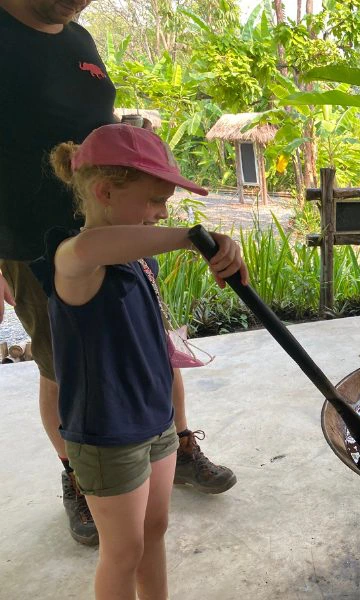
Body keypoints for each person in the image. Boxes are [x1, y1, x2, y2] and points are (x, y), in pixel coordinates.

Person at [0, 0, 236, 546]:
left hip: (118, 222)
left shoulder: (79, 40)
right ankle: (81, 474)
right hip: (33, 242)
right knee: (62, 365)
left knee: (152, 341)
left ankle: (176, 445)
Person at [31, 123, 248, 600]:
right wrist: (191, 237)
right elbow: (92, 247)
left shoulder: (140, 260)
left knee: (155, 530)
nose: (162, 213)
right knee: (123, 550)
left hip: (156, 423)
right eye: (154, 201)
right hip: (107, 436)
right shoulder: (74, 260)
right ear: (105, 192)